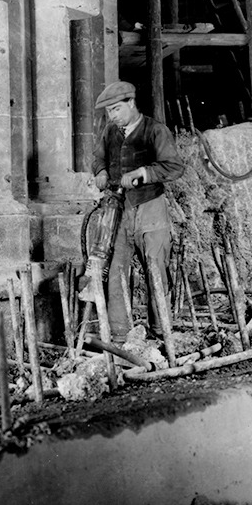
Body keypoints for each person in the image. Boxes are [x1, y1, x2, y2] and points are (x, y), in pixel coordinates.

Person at [92, 81, 184, 342]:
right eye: (109, 111)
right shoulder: (111, 132)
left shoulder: (156, 130)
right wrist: (100, 171)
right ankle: (120, 336)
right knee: (117, 269)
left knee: (156, 267)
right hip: (119, 212)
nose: (113, 116)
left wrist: (142, 173)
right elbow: (97, 157)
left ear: (132, 103)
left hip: (151, 208)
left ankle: (160, 331)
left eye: (117, 109)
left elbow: (174, 167)